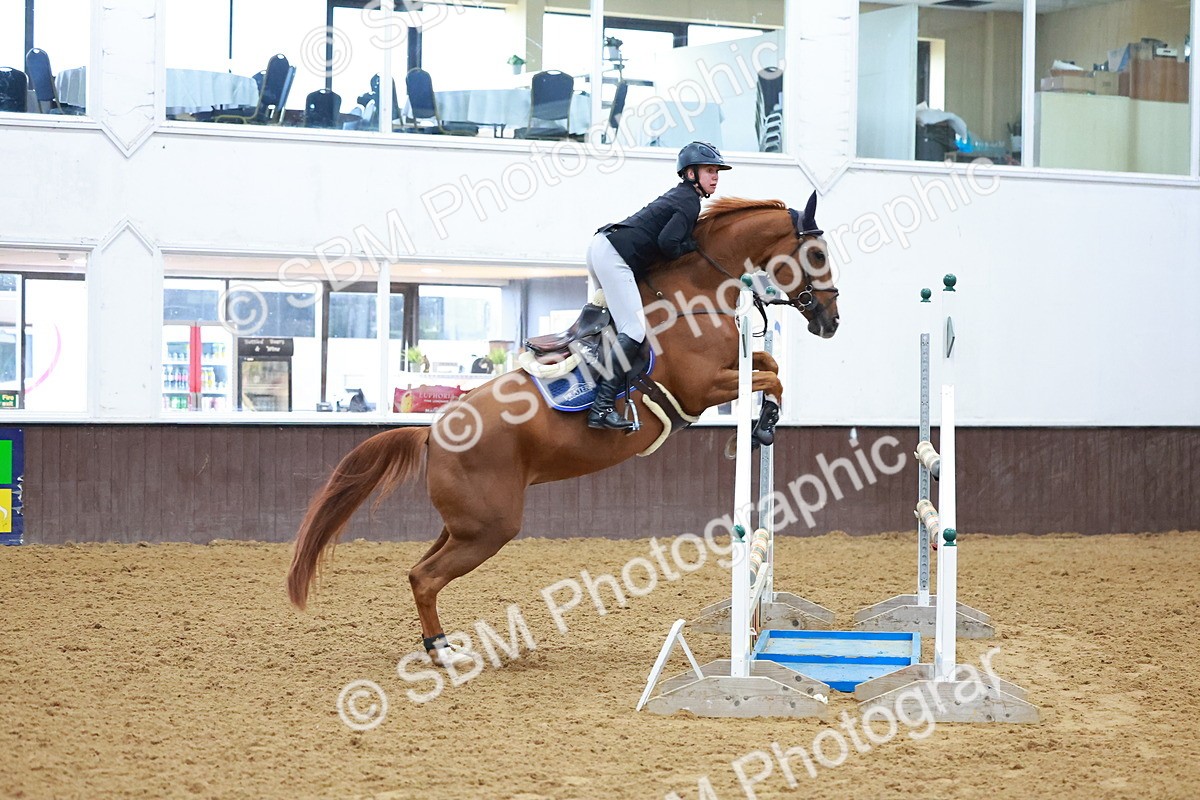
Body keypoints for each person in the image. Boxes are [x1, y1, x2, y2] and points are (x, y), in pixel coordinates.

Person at [586, 141, 732, 430]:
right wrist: (692, 246)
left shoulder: (684, 197)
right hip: (614, 255)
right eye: (709, 170)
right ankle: (600, 408)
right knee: (635, 330)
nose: (715, 176)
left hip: (603, 246)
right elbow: (668, 243)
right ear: (691, 174)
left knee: (617, 324)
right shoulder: (689, 201)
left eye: (717, 171)